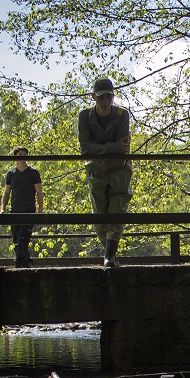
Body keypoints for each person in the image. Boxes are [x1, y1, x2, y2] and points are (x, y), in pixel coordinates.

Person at [78, 76, 133, 267]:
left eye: (108, 97)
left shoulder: (121, 114)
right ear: (93, 96)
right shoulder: (85, 116)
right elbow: (85, 149)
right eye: (101, 97)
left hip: (120, 171)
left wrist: (99, 148)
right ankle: (111, 255)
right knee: (99, 216)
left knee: (118, 211)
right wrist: (112, 147)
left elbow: (123, 147)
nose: (105, 101)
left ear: (113, 96)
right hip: (96, 171)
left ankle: (109, 257)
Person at [0, 146, 44, 267]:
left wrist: (40, 210)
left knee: (22, 242)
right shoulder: (11, 173)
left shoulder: (33, 173)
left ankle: (18, 268)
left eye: (25, 154)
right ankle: (27, 264)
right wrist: (2, 208)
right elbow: (7, 192)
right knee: (17, 242)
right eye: (20, 155)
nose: (23, 157)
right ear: (15, 157)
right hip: (14, 212)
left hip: (28, 211)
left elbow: (39, 192)